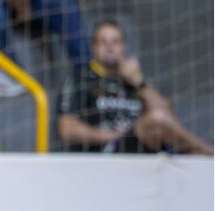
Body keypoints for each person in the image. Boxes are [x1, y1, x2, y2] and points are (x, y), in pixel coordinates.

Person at [57, 20, 213, 155]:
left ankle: (202, 153)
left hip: (141, 146)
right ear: (94, 47)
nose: (110, 47)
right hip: (105, 150)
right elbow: (67, 129)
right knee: (156, 120)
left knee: (164, 127)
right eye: (103, 42)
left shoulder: (135, 78)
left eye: (115, 41)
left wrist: (139, 82)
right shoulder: (80, 78)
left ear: (124, 45)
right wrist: (109, 136)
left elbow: (169, 117)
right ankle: (209, 151)